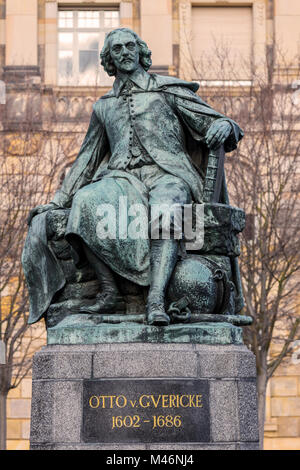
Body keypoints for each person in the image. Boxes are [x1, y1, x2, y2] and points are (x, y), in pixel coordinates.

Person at [26, 28, 243, 326]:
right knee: (85, 201)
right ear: (109, 60)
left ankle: (155, 297)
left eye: (130, 46)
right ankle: (109, 291)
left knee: (167, 208)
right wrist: (57, 201)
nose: (125, 52)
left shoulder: (167, 91)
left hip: (168, 175)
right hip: (121, 178)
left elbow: (217, 123)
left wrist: (226, 126)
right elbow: (86, 160)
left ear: (141, 52)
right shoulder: (103, 106)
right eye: (117, 49)